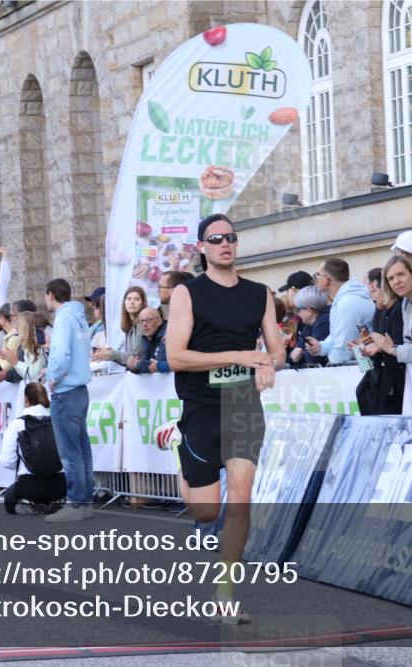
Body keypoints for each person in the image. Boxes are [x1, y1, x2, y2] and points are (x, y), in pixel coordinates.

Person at [166, 213, 284, 621]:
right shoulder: (187, 294)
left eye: (230, 237)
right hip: (200, 405)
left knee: (241, 496)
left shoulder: (260, 293)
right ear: (202, 247)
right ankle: (181, 452)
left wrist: (269, 363)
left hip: (243, 403)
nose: (224, 243)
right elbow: (175, 356)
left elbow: (277, 349)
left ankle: (226, 592)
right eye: (215, 238)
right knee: (206, 512)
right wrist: (239, 355)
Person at [43, 278, 95, 523]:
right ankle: (84, 502)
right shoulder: (78, 317)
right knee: (81, 449)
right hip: (80, 388)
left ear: (50, 295)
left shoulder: (63, 318)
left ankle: (76, 502)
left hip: (66, 389)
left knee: (70, 451)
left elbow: (62, 353)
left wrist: (52, 377)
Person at [0, 382, 67, 515]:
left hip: (29, 485)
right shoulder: (59, 422)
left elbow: (7, 461)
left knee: (9, 499)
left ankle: (32, 505)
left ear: (26, 400)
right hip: (59, 485)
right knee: (54, 492)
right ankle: (56, 503)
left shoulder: (17, 424)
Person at [304, 258, 374, 364]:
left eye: (318, 275)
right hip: (361, 366)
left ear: (328, 280)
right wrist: (321, 347)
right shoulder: (343, 300)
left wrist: (331, 366)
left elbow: (343, 349)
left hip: (360, 369)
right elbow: (337, 336)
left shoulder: (347, 304)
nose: (316, 279)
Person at [356, 269, 406, 415]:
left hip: (392, 384)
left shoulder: (396, 311)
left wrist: (380, 348)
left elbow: (397, 348)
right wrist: (360, 350)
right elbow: (367, 365)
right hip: (378, 383)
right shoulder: (379, 313)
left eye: (374, 291)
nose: (371, 295)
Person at [94, 286, 146, 371]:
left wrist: (112, 354)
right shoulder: (130, 325)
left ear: (143, 303)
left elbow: (137, 356)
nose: (132, 302)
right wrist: (110, 354)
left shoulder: (142, 324)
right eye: (129, 299)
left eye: (137, 299)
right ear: (124, 303)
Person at [290, 286, 330, 367]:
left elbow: (315, 356)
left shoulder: (324, 322)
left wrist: (300, 356)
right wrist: (293, 357)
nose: (297, 313)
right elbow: (299, 349)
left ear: (309, 311)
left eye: (298, 310)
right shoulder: (308, 325)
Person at [135, 307, 169, 374]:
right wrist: (133, 365)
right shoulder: (146, 338)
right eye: (141, 321)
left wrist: (137, 364)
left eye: (149, 320)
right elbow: (146, 360)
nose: (144, 324)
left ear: (159, 321)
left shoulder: (166, 334)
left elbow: (158, 364)